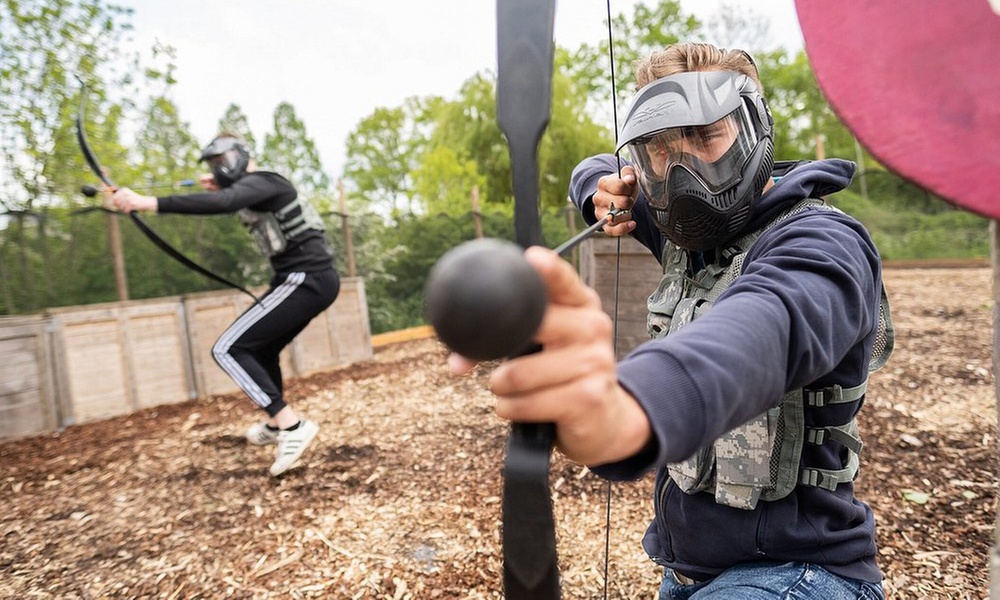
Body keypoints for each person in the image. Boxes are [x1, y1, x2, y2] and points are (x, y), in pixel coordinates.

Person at [450, 43, 892, 599]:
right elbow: (591, 171)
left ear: (754, 129)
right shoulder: (687, 239)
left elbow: (768, 326)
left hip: (801, 574)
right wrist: (598, 192)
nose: (683, 170)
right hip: (685, 574)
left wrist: (629, 401)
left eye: (706, 137)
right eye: (660, 149)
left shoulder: (824, 241)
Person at [110, 134, 339, 477]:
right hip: (304, 280)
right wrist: (220, 185)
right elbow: (231, 198)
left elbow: (226, 202)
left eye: (223, 160)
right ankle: (278, 425)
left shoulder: (266, 181)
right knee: (260, 350)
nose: (219, 169)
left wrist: (145, 202)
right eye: (213, 165)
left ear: (243, 154)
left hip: (306, 278)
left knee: (227, 348)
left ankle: (292, 426)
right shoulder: (253, 190)